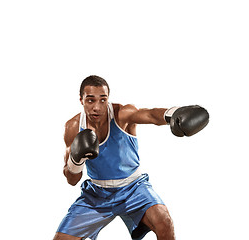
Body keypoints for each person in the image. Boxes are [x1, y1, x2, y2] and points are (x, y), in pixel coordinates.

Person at [54, 75, 209, 240]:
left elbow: (150, 115)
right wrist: (75, 161)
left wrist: (174, 114)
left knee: (164, 221)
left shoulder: (122, 114)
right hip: (97, 194)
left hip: (134, 188)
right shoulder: (73, 127)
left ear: (108, 99)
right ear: (81, 100)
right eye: (90, 100)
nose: (97, 107)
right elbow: (72, 179)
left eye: (103, 100)